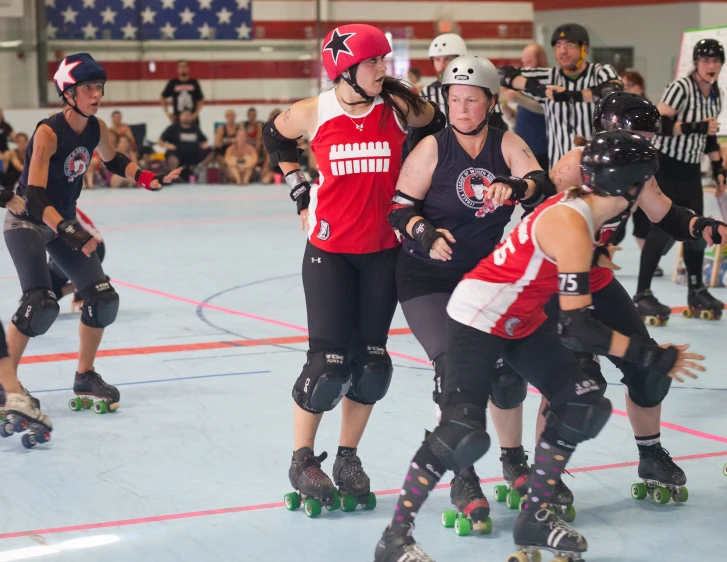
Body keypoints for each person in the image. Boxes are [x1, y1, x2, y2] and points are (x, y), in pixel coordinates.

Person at [375, 130, 705, 562]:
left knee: (583, 401)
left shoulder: (585, 214)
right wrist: (650, 355)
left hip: (522, 320)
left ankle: (535, 515)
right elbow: (578, 330)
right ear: (633, 185)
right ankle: (395, 536)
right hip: (479, 316)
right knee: (462, 431)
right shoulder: (571, 223)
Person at [262, 24, 444, 515]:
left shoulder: (399, 108)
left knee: (372, 365)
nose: (384, 70)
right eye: (374, 63)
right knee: (327, 366)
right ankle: (302, 459)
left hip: (384, 250)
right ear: (344, 68)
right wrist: (300, 189)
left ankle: (347, 458)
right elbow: (273, 137)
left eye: (384, 61)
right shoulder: (313, 111)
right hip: (330, 252)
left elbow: (439, 127)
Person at [391, 54, 555, 530]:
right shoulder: (431, 149)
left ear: (490, 102)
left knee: (505, 373)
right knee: (454, 370)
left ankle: (512, 458)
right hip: (427, 278)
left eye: (471, 100)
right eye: (454, 100)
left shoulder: (506, 144)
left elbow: (539, 182)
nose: (461, 109)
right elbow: (398, 210)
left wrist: (514, 186)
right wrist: (425, 232)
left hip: (483, 277)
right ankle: (463, 475)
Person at [4, 53, 180, 414]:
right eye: (87, 88)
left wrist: (147, 177)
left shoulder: (96, 127)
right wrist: (69, 230)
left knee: (102, 299)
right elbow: (35, 197)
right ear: (68, 93)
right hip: (28, 222)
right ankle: (6, 383)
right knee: (39, 303)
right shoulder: (48, 132)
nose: (96, 94)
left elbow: (114, 160)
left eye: (99, 87)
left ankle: (85, 375)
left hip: (62, 222)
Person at [635, 38, 726, 318]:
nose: (710, 66)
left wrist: (719, 168)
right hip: (667, 167)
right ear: (696, 63)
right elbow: (658, 124)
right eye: (705, 61)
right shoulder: (681, 88)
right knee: (660, 230)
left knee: (699, 228)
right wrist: (696, 126)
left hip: (690, 171)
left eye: (715, 61)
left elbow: (709, 137)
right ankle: (643, 293)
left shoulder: (715, 93)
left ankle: (696, 290)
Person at [499, 23, 622, 165]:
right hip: (559, 167)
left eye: (570, 45)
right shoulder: (549, 76)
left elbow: (614, 90)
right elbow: (503, 74)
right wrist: (539, 89)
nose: (562, 51)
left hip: (597, 165)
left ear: (584, 49)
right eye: (558, 45)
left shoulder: (600, 72)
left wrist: (570, 95)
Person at [423, 33, 509, 132]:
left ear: (461, 59)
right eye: (437, 59)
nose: (442, 65)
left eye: (447, 59)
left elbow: (497, 126)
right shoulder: (426, 93)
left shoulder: (481, 88)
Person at [501, 43, 550, 170]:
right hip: (524, 150)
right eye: (524, 63)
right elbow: (517, 118)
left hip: (542, 150)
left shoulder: (549, 83)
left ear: (542, 59)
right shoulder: (527, 87)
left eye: (529, 62)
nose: (525, 68)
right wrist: (503, 103)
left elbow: (545, 108)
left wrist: (517, 98)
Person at [160, 60, 204, 125]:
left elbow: (200, 100)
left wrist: (195, 114)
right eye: (181, 67)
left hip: (192, 119)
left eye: (185, 66)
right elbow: (162, 97)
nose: (183, 69)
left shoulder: (194, 83)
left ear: (188, 69)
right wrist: (168, 113)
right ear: (177, 69)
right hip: (177, 119)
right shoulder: (173, 83)